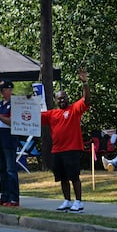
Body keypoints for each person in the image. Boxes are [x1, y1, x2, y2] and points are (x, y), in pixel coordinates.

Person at [41, 68, 91, 212]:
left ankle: (79, 202)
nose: (61, 100)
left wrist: (85, 83)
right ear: (55, 100)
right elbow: (32, 116)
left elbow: (86, 100)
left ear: (67, 99)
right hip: (57, 150)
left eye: (64, 98)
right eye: (59, 98)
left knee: (74, 176)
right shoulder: (51, 114)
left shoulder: (74, 109)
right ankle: (67, 201)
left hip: (72, 149)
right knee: (62, 178)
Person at [0, 81, 20, 207]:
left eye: (3, 89)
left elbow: (11, 122)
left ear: (10, 89)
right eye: (0, 89)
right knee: (2, 169)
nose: (1, 92)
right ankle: (4, 196)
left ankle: (14, 198)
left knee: (10, 169)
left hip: (9, 139)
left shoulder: (16, 103)